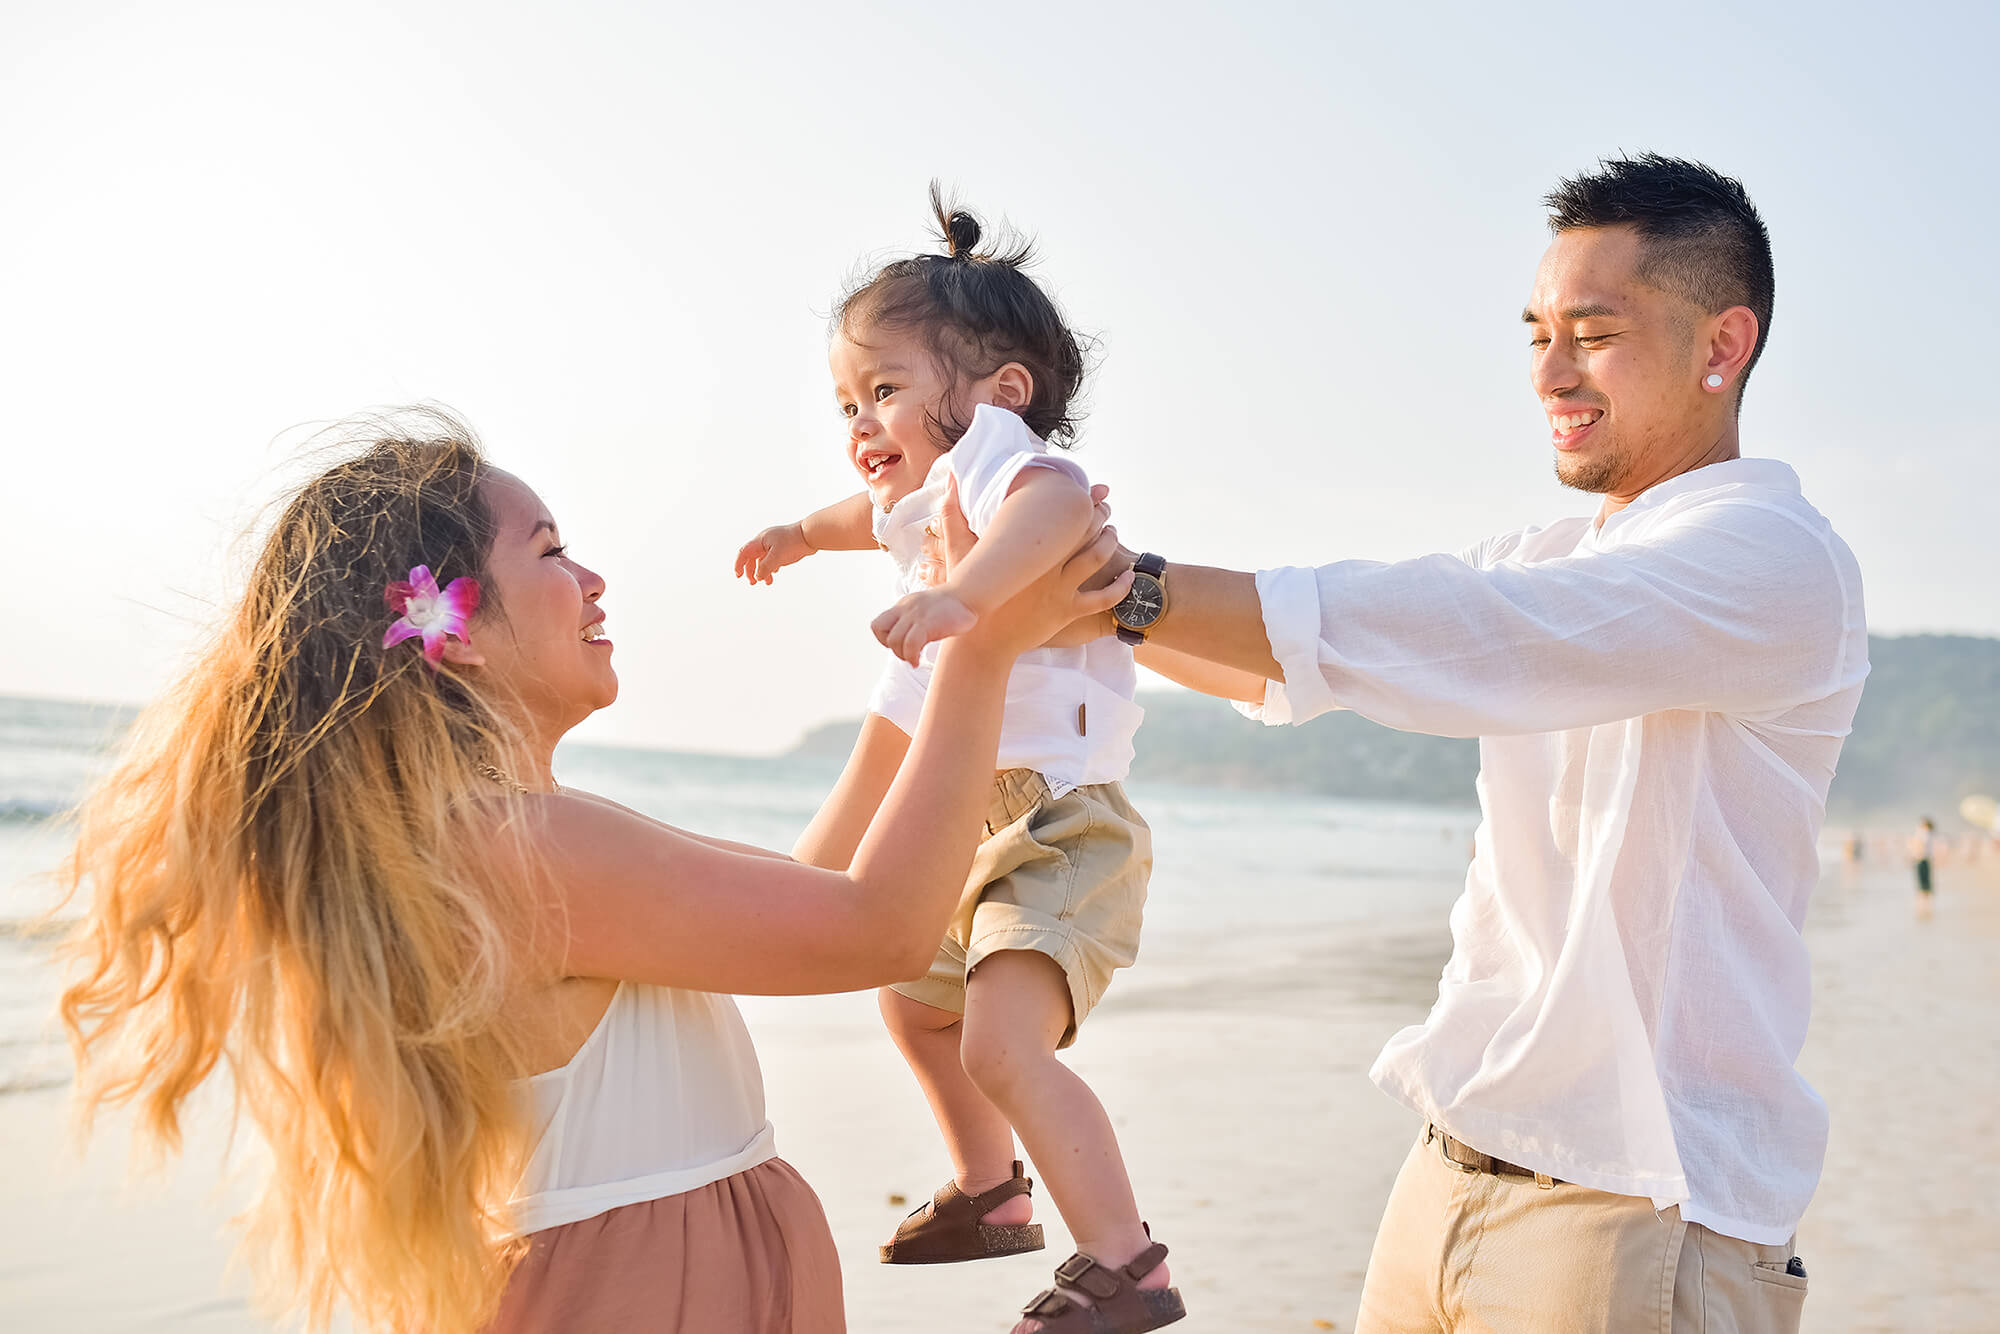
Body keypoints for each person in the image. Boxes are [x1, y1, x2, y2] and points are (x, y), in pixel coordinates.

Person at [54, 409, 1128, 1334]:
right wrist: (980, 651)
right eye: (553, 550)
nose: (594, 578)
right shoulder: (519, 849)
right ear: (456, 629)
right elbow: (877, 929)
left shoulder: (514, 832)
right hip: (645, 1291)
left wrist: (942, 637)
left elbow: (817, 883)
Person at [1068, 154, 1869, 1331]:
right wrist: (1065, 594)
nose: (1549, 370)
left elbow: (1475, 632)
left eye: (1591, 333)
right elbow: (1292, 660)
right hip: (1446, 1175)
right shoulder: (1557, 552)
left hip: (1635, 1215)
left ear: (1721, 343)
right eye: (1536, 331)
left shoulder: (1773, 556)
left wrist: (1122, 586)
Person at [734, 189, 1183, 1334]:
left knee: (999, 1039)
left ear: (999, 392)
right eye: (845, 398)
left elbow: (1054, 505)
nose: (858, 419)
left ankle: (1128, 1263)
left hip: (1060, 824)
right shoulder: (924, 487)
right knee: (912, 1002)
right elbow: (859, 511)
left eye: (882, 389)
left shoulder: (1002, 460)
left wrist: (962, 597)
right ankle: (990, 1191)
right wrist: (798, 531)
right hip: (981, 819)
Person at [1910, 816, 1937, 916]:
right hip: (1925, 859)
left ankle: (1922, 904)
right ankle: (1925, 904)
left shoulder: (1923, 834)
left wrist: (1915, 855)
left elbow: (1918, 844)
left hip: (1921, 859)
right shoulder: (1928, 834)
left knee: (1922, 882)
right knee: (1926, 882)